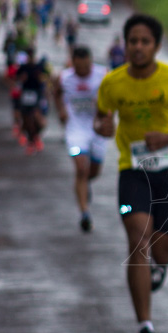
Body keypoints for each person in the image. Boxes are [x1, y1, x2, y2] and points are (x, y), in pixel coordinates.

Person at [95, 14, 168, 333]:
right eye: (133, 41)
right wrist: (102, 127)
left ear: (156, 46)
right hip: (132, 170)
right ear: (125, 44)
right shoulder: (112, 83)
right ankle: (145, 324)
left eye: (145, 41)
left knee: (161, 248)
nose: (138, 47)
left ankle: (160, 266)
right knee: (137, 238)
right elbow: (102, 118)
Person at [53, 45, 109, 232]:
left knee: (93, 171)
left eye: (86, 67)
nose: (82, 71)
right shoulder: (64, 77)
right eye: (78, 68)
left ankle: (85, 185)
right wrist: (61, 109)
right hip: (76, 129)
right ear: (73, 63)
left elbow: (113, 97)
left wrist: (107, 115)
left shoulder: (103, 75)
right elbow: (57, 93)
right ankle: (84, 213)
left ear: (91, 62)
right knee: (80, 168)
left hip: (97, 129)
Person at [14, 47, 50, 155]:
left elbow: (47, 78)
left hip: (37, 94)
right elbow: (16, 77)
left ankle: (35, 137)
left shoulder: (39, 66)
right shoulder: (23, 67)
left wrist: (44, 83)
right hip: (26, 94)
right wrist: (20, 79)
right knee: (26, 118)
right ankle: (31, 140)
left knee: (37, 117)